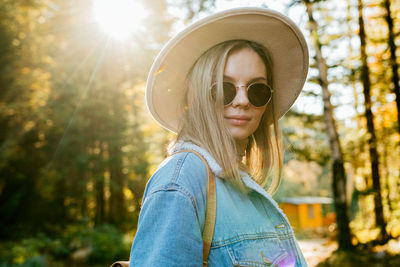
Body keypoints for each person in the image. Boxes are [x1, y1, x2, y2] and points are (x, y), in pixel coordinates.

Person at [129, 7, 309, 267]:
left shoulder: (239, 184)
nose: (243, 101)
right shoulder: (180, 181)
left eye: (257, 90)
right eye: (224, 89)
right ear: (198, 95)